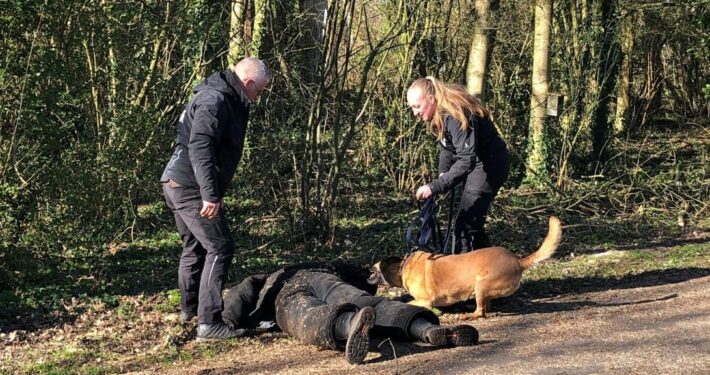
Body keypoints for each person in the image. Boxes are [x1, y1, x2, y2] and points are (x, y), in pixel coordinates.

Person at [160, 57, 271, 340]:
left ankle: (190, 309)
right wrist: (210, 194)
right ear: (247, 83)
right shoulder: (216, 100)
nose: (257, 98)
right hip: (190, 186)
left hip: (176, 181)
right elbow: (200, 147)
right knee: (220, 247)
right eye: (258, 91)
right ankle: (208, 323)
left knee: (195, 246)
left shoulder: (217, 92)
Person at [221, 262, 479, 364]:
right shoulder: (319, 262)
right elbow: (364, 278)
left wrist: (229, 322)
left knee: (307, 317)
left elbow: (241, 293)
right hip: (326, 277)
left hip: (287, 295)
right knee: (367, 302)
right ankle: (428, 329)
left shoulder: (266, 278)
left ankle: (349, 324)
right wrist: (367, 287)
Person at [407, 76, 509, 252]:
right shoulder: (439, 115)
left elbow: (466, 160)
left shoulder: (455, 114)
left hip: (489, 165)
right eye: (412, 108)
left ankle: (463, 277)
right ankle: (492, 272)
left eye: (417, 106)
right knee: (471, 223)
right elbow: (447, 147)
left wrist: (434, 187)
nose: (415, 113)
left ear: (431, 99)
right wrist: (443, 173)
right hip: (476, 164)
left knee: (464, 228)